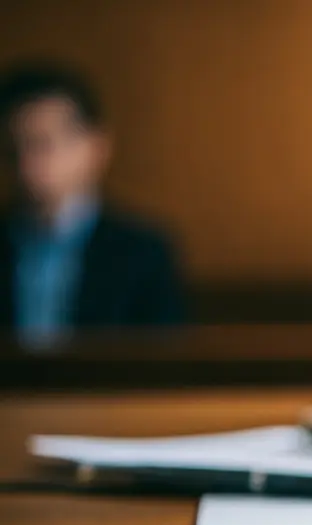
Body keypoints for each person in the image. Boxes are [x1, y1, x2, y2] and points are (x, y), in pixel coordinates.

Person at [0, 62, 185, 342]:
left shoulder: (144, 252)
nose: (28, 163)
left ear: (95, 147)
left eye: (44, 143)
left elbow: (165, 364)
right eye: (14, 147)